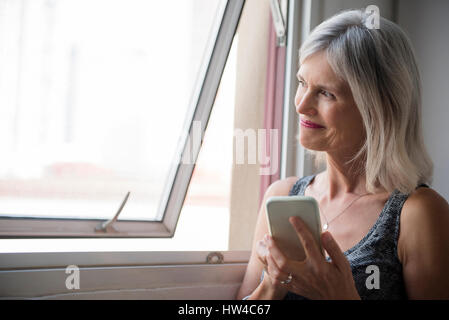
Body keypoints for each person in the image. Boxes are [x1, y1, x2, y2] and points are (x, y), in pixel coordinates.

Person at [236, 9, 449, 300]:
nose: (301, 105)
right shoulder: (282, 196)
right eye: (302, 83)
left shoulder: (418, 214)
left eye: (325, 93)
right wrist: (272, 284)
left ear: (376, 109)